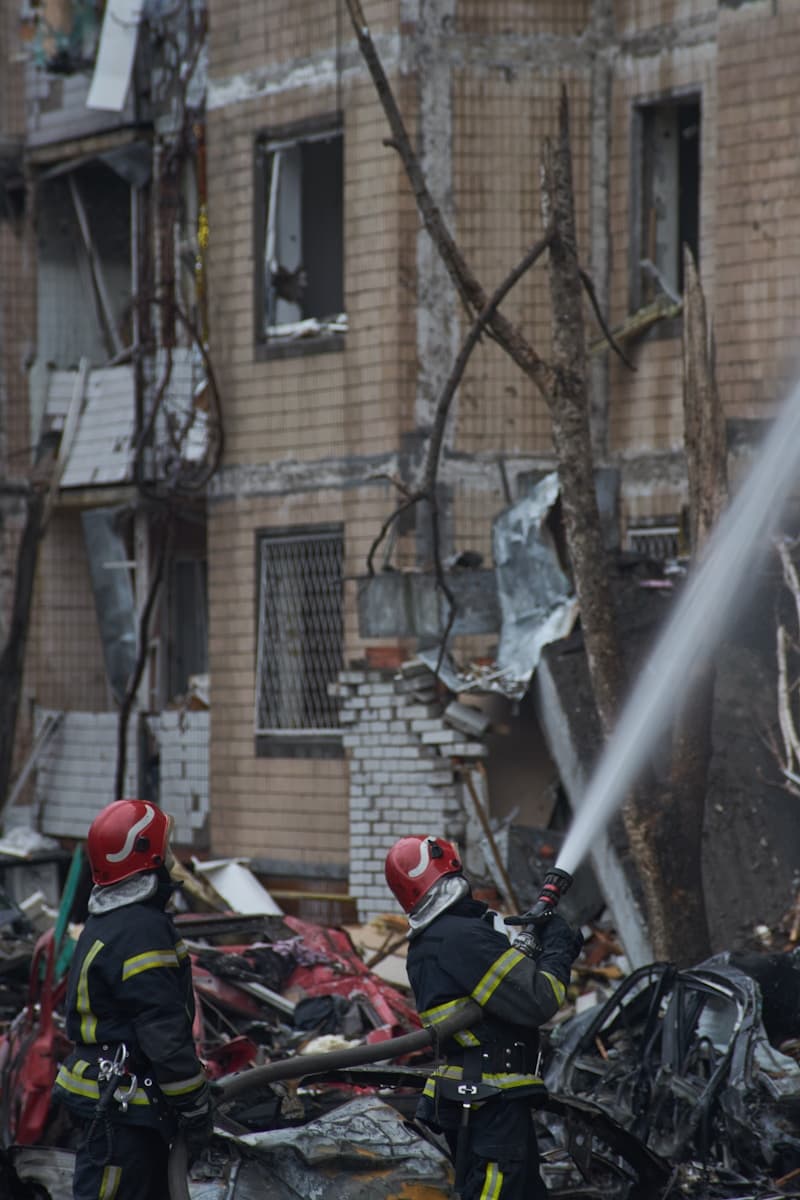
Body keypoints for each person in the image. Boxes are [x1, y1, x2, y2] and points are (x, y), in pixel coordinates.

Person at [385, 834, 583, 1200]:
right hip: (493, 1106)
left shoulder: (432, 941)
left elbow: (499, 998)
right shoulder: (462, 939)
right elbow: (537, 999)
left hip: (480, 1100)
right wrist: (557, 949)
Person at [53, 799, 213, 1200]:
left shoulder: (109, 919)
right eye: (169, 850)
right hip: (123, 1112)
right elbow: (163, 1029)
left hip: (110, 1099)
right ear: (148, 857)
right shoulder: (142, 930)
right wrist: (194, 1102)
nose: (175, 861)